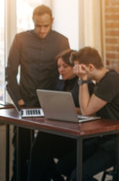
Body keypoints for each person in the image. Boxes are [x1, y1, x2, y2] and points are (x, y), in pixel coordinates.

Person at [5, 4, 70, 181]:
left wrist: (58, 101)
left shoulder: (62, 41)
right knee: (21, 149)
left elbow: (65, 73)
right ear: (33, 22)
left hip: (50, 105)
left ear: (52, 22)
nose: (41, 30)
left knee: (43, 152)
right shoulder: (20, 39)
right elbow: (10, 72)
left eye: (45, 26)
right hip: (24, 103)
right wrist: (19, 101)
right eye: (38, 26)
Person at [56, 46, 119, 181]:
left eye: (78, 67)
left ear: (90, 67)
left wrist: (82, 79)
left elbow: (86, 110)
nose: (76, 71)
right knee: (63, 167)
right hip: (104, 138)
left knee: (79, 176)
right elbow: (87, 109)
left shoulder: (111, 81)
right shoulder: (100, 82)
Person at [27, 49, 94, 181]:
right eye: (58, 66)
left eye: (65, 66)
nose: (61, 70)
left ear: (75, 67)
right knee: (40, 147)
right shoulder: (61, 83)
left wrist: (70, 109)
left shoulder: (85, 84)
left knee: (40, 149)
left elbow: (89, 111)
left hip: (79, 138)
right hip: (64, 133)